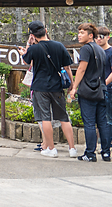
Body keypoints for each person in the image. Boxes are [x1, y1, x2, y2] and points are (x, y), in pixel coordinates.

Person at [18, 20, 77, 158]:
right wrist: (71, 85)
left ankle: (51, 148)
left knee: (45, 117)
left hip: (40, 87)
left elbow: (26, 60)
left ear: (32, 35)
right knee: (64, 117)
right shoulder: (59, 46)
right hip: (57, 87)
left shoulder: (34, 49)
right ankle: (72, 148)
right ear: (45, 30)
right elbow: (68, 67)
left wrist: (26, 48)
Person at [69, 22, 112, 162]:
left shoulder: (86, 49)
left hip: (88, 90)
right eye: (79, 32)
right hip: (101, 88)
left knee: (89, 123)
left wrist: (74, 87)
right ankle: (106, 152)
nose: (79, 35)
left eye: (82, 33)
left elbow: (81, 69)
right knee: (102, 122)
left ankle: (90, 153)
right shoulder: (100, 49)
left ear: (90, 35)